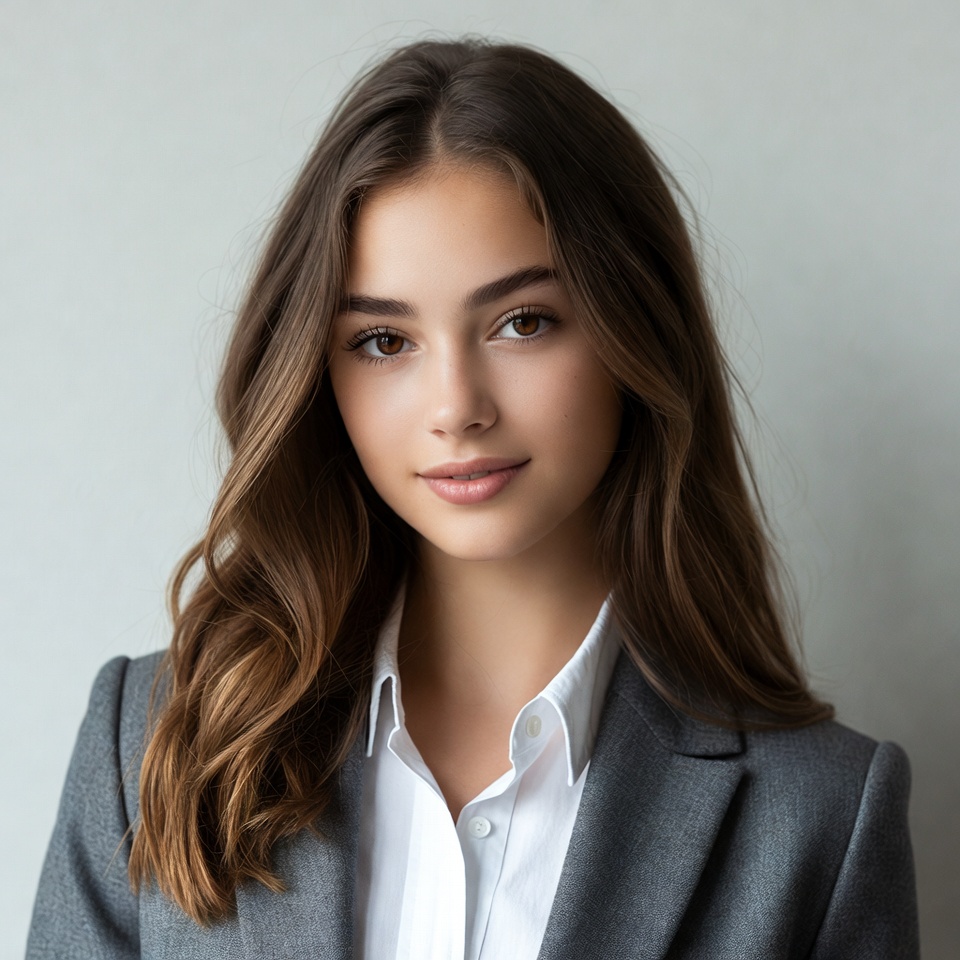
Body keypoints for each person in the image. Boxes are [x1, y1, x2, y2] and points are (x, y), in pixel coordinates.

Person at [27, 37, 919, 959]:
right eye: (383, 340)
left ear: (634, 332)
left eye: (522, 322)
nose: (456, 408)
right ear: (316, 371)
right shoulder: (150, 741)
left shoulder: (820, 817)